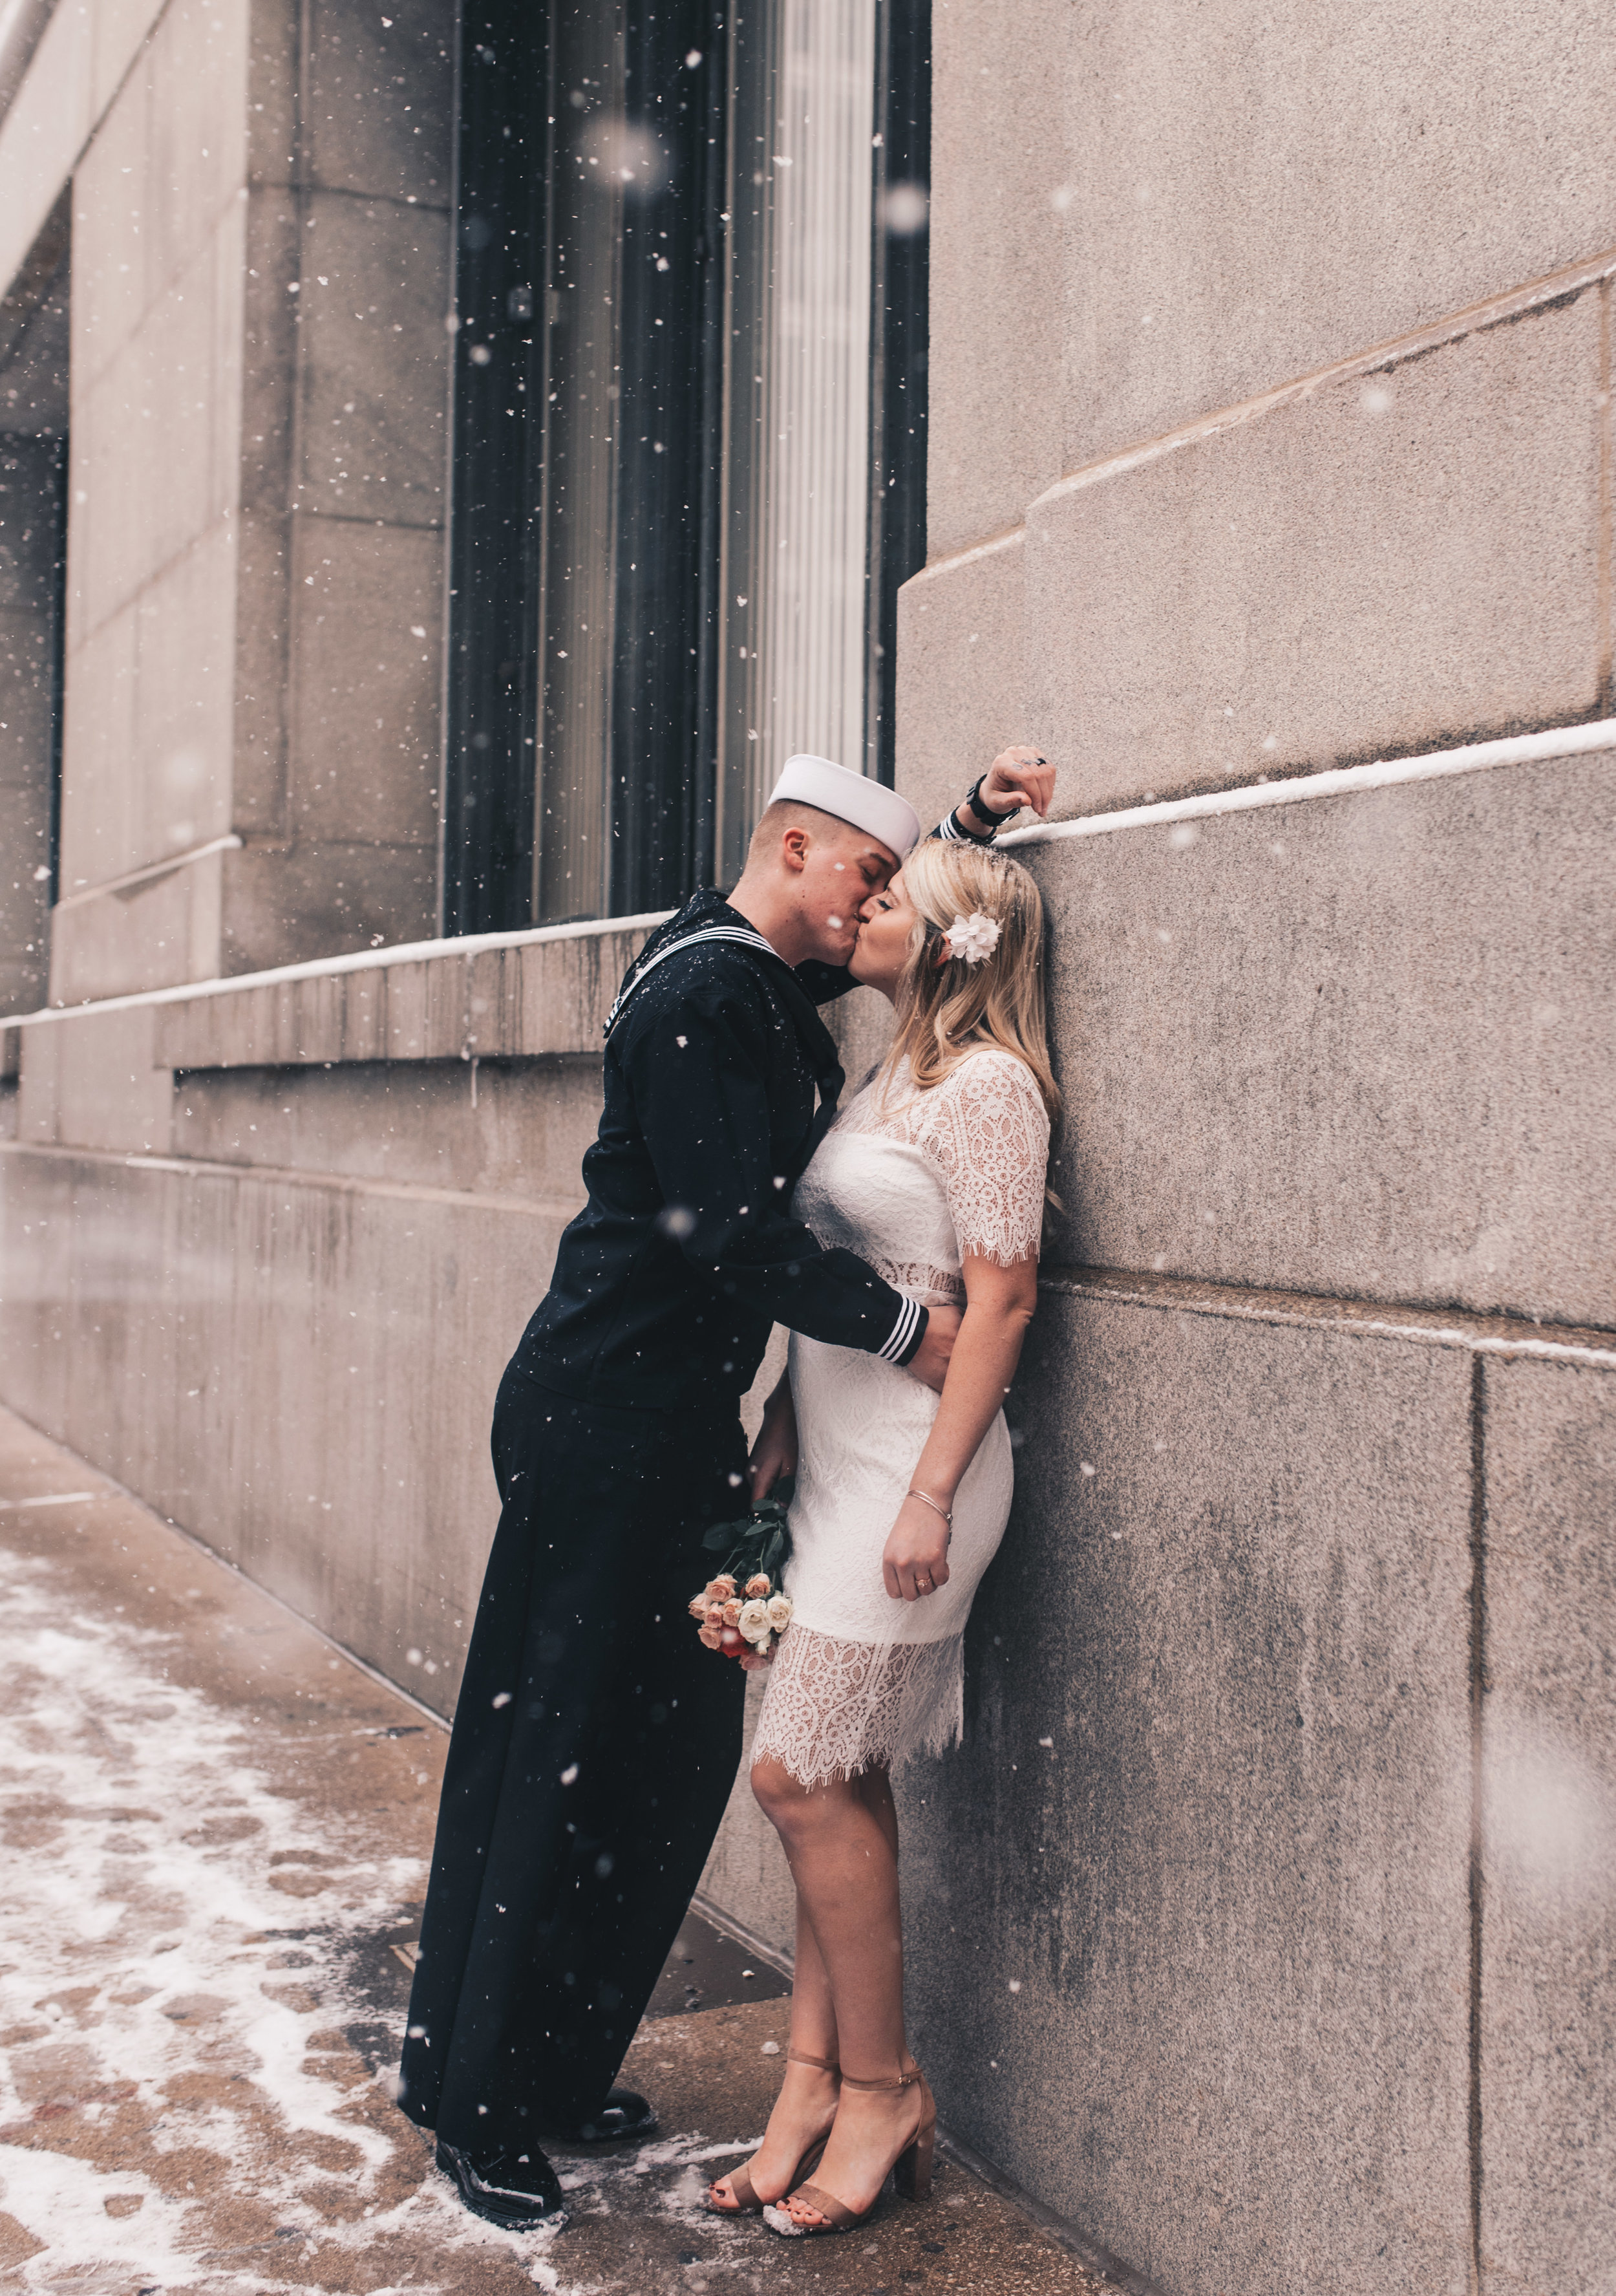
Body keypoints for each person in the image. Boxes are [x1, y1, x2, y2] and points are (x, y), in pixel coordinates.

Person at [397, 745, 1055, 2231]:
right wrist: (903, 1327)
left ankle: (547, 2064)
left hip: (665, 1425)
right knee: (564, 1746)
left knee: (649, 1757)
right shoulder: (706, 990)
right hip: (605, 1421)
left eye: (894, 891)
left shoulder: (734, 966)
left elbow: (903, 961)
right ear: (796, 851)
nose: (876, 906)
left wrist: (958, 835)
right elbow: (723, 1233)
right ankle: (482, 2101)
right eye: (866, 877)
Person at [705, 832, 1058, 2236]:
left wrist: (925, 1493)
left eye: (893, 894)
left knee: (792, 1778)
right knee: (835, 1784)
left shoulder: (987, 1089)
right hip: (836, 1457)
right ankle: (810, 2086)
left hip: (922, 1477)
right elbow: (837, 1272)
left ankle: (885, 2085)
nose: (864, 904)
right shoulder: (881, 1070)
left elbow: (1006, 1303)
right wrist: (787, 1424)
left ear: (956, 937)